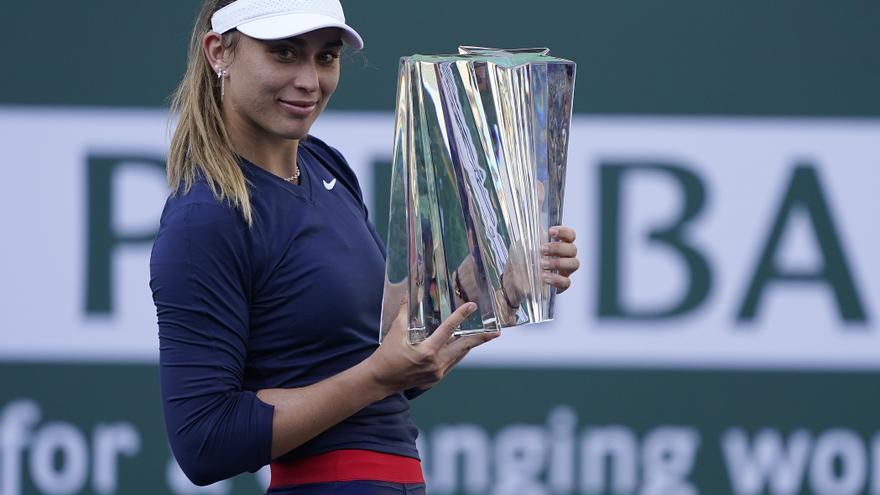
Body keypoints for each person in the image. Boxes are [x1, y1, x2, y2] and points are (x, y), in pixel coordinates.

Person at [149, 0, 581, 493]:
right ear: (218, 52)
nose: (310, 80)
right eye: (284, 54)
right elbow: (204, 441)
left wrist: (495, 283)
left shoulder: (323, 164)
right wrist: (378, 376)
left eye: (326, 57)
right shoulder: (203, 220)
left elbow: (393, 354)